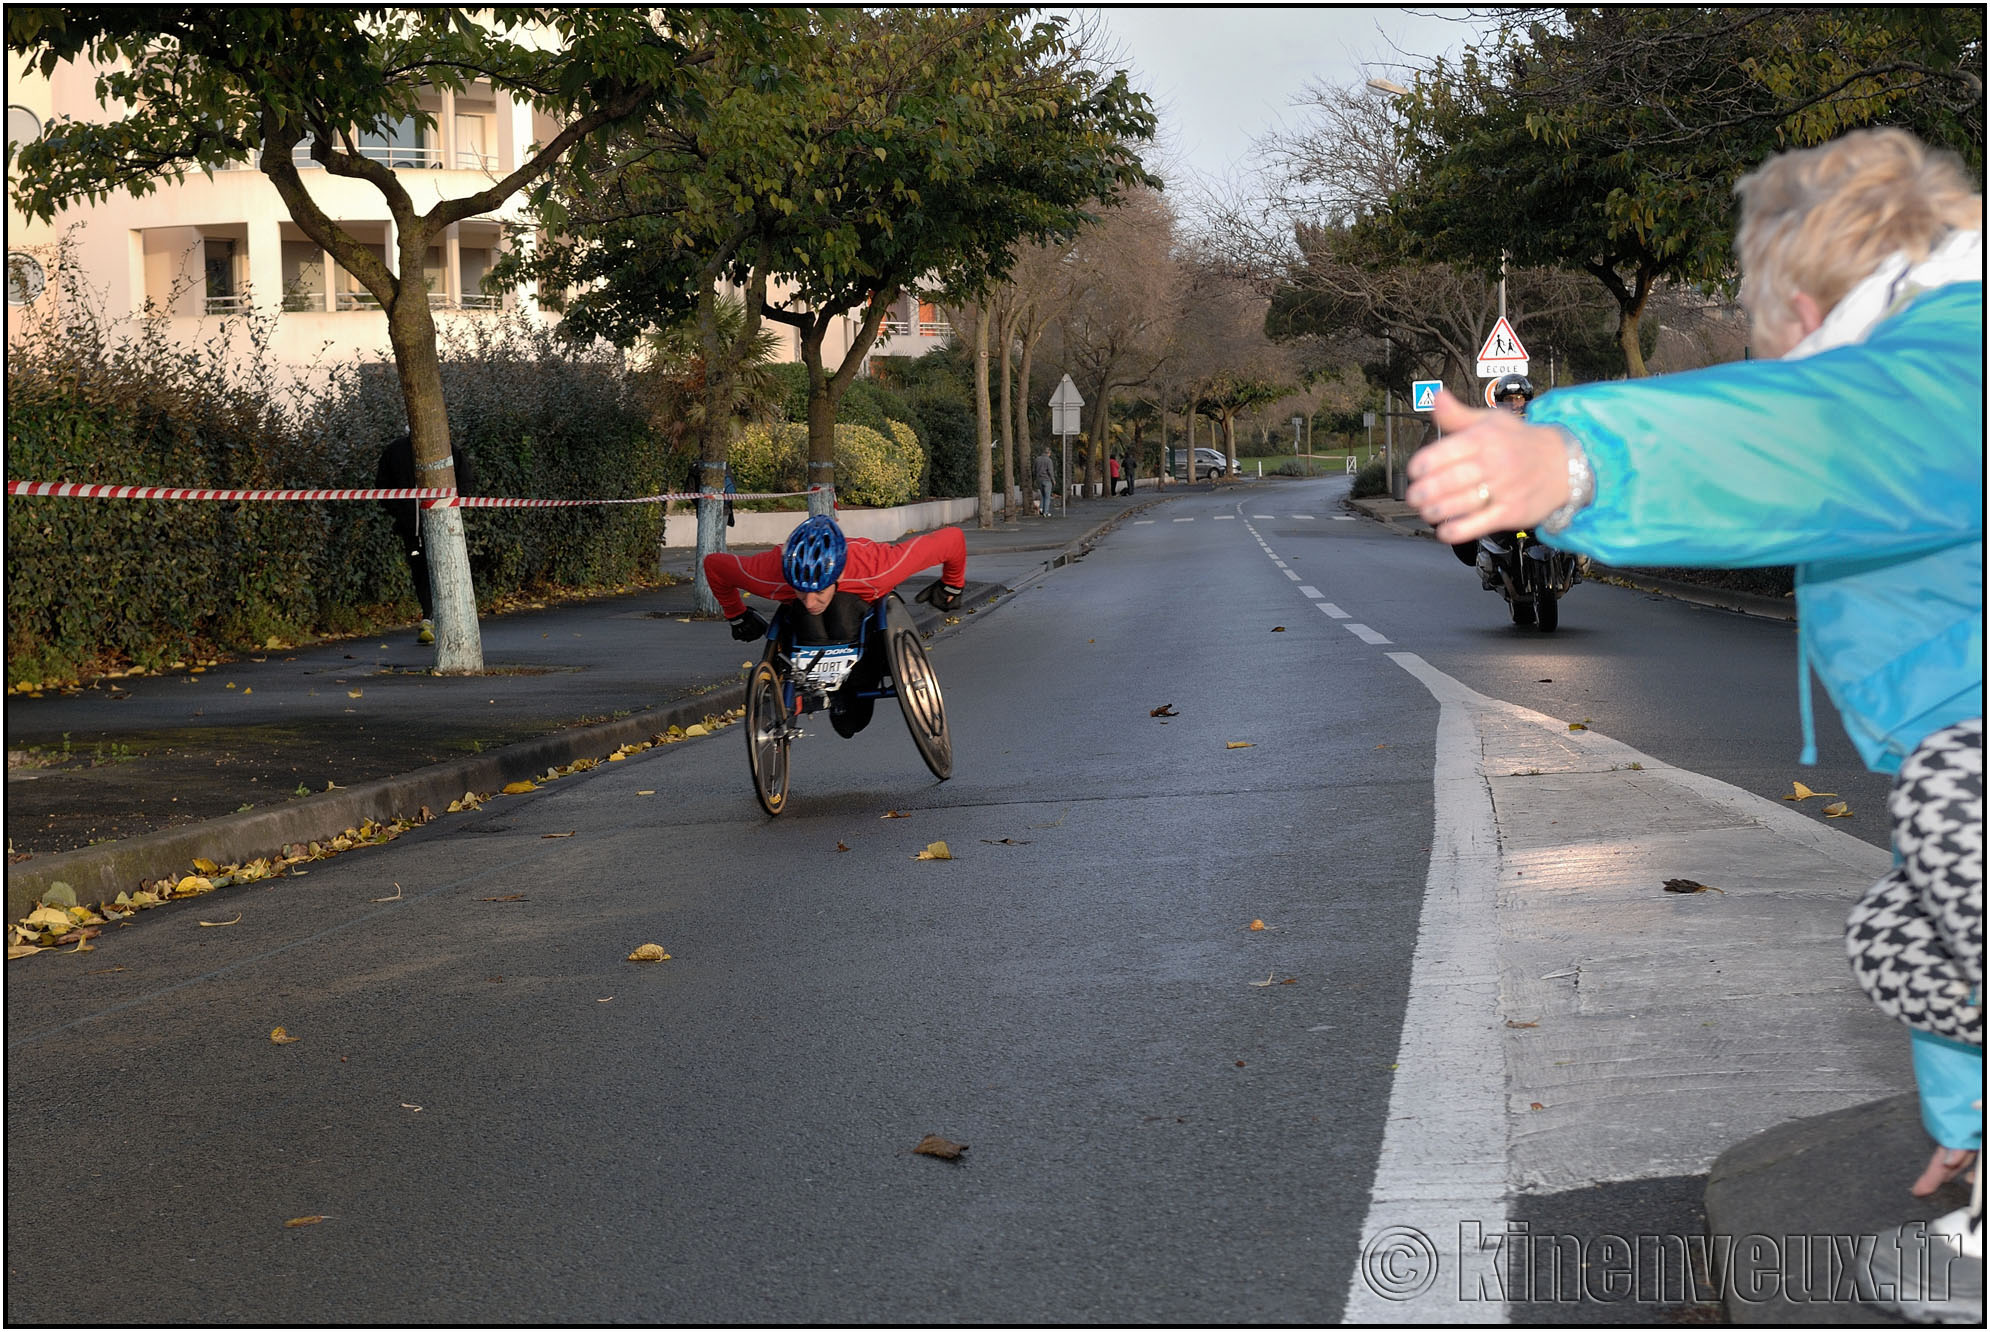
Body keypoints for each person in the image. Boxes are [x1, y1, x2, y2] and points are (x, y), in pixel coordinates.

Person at [1406, 127, 1982, 1318]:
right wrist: (1963, 1129)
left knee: (1945, 832)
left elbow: (1826, 437)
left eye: (1771, 337)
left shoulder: (1954, 356)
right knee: (1910, 929)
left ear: (1808, 302)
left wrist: (1577, 465)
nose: (1769, 358)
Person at [703, 514, 966, 737]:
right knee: (802, 614)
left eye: (818, 591)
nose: (809, 601)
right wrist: (737, 615)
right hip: (805, 635)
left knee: (849, 724)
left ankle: (853, 682)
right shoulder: (769, 572)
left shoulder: (878, 567)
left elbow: (953, 539)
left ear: (837, 575)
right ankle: (800, 683)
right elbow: (714, 566)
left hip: (863, 627)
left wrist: (952, 584)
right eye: (801, 590)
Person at [375, 434, 477, 645]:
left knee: (422, 568)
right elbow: (466, 482)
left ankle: (433, 616)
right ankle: (431, 616)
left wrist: (400, 513)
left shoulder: (443, 448)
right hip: (424, 525)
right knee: (430, 567)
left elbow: (381, 488)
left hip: (421, 525)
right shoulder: (442, 447)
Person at [1033, 448, 1055, 518]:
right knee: (1047, 496)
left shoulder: (1037, 459)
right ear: (1049, 453)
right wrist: (1053, 480)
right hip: (1047, 480)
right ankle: (1046, 512)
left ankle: (1041, 509)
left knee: (1043, 495)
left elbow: (1033, 470)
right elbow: (1050, 471)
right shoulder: (1049, 460)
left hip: (1039, 480)